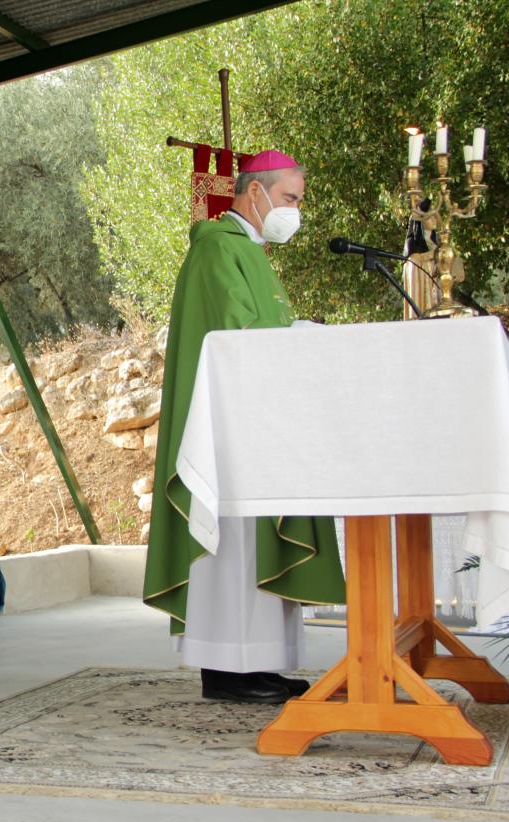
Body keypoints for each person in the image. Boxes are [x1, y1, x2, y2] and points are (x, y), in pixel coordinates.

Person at [143, 150, 345, 703]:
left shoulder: (247, 252)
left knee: (252, 545)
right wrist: (295, 336)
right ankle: (225, 669)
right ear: (254, 192)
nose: (295, 212)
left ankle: (257, 664)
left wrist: (298, 330)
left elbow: (260, 328)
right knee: (231, 544)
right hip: (225, 431)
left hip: (256, 421)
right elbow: (236, 337)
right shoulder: (216, 250)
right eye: (289, 199)